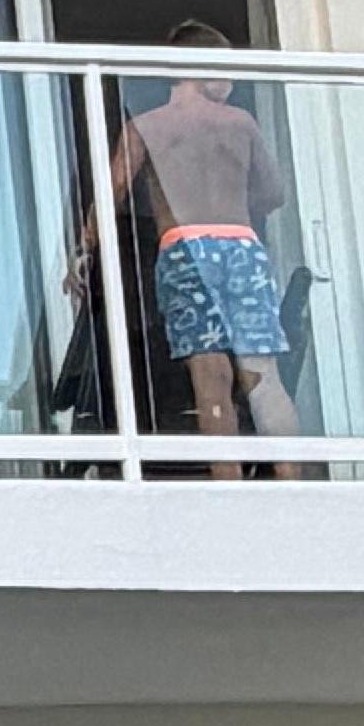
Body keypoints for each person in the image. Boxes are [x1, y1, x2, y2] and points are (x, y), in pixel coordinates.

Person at [108, 67, 299, 450]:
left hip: (187, 247)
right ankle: (290, 479)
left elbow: (111, 193)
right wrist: (230, 207)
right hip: (243, 246)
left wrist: (83, 248)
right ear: (188, 71)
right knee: (263, 374)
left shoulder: (146, 126)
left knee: (210, 376)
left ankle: (225, 482)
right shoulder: (240, 123)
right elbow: (273, 194)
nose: (231, 81)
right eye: (221, 70)